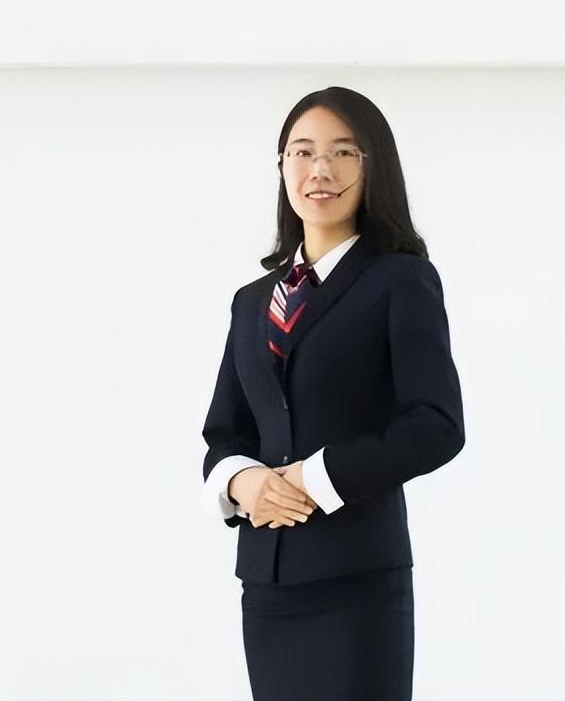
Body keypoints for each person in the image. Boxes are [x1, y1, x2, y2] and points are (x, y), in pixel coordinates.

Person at [199, 86, 465, 701]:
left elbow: (436, 424)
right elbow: (226, 433)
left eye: (343, 152)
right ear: (283, 167)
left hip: (357, 583)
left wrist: (314, 478)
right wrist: (242, 482)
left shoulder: (401, 280)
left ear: (373, 167)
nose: (320, 169)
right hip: (268, 584)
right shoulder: (251, 303)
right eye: (303, 152)